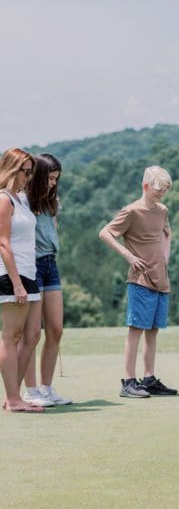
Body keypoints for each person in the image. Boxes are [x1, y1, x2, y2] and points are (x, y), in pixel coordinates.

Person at [99, 165, 177, 398]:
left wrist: (166, 253)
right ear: (145, 186)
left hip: (161, 278)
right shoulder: (131, 211)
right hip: (140, 279)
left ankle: (149, 378)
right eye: (157, 190)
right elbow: (105, 232)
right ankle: (129, 382)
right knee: (136, 330)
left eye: (164, 191)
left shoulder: (162, 210)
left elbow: (166, 231)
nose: (161, 195)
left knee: (153, 330)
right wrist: (128, 256)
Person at [21, 154, 72, 407]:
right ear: (40, 175)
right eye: (50, 178)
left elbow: (53, 229)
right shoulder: (23, 201)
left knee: (56, 328)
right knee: (32, 333)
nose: (53, 183)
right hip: (31, 266)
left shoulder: (53, 202)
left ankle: (47, 388)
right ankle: (30, 390)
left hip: (51, 264)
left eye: (56, 179)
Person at [0, 148, 44, 412]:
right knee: (11, 336)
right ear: (11, 168)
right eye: (24, 171)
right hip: (11, 275)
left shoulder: (21, 199)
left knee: (30, 334)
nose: (28, 176)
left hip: (29, 273)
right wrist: (16, 283)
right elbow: (3, 244)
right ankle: (14, 399)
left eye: (30, 172)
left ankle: (13, 396)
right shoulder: (4, 199)